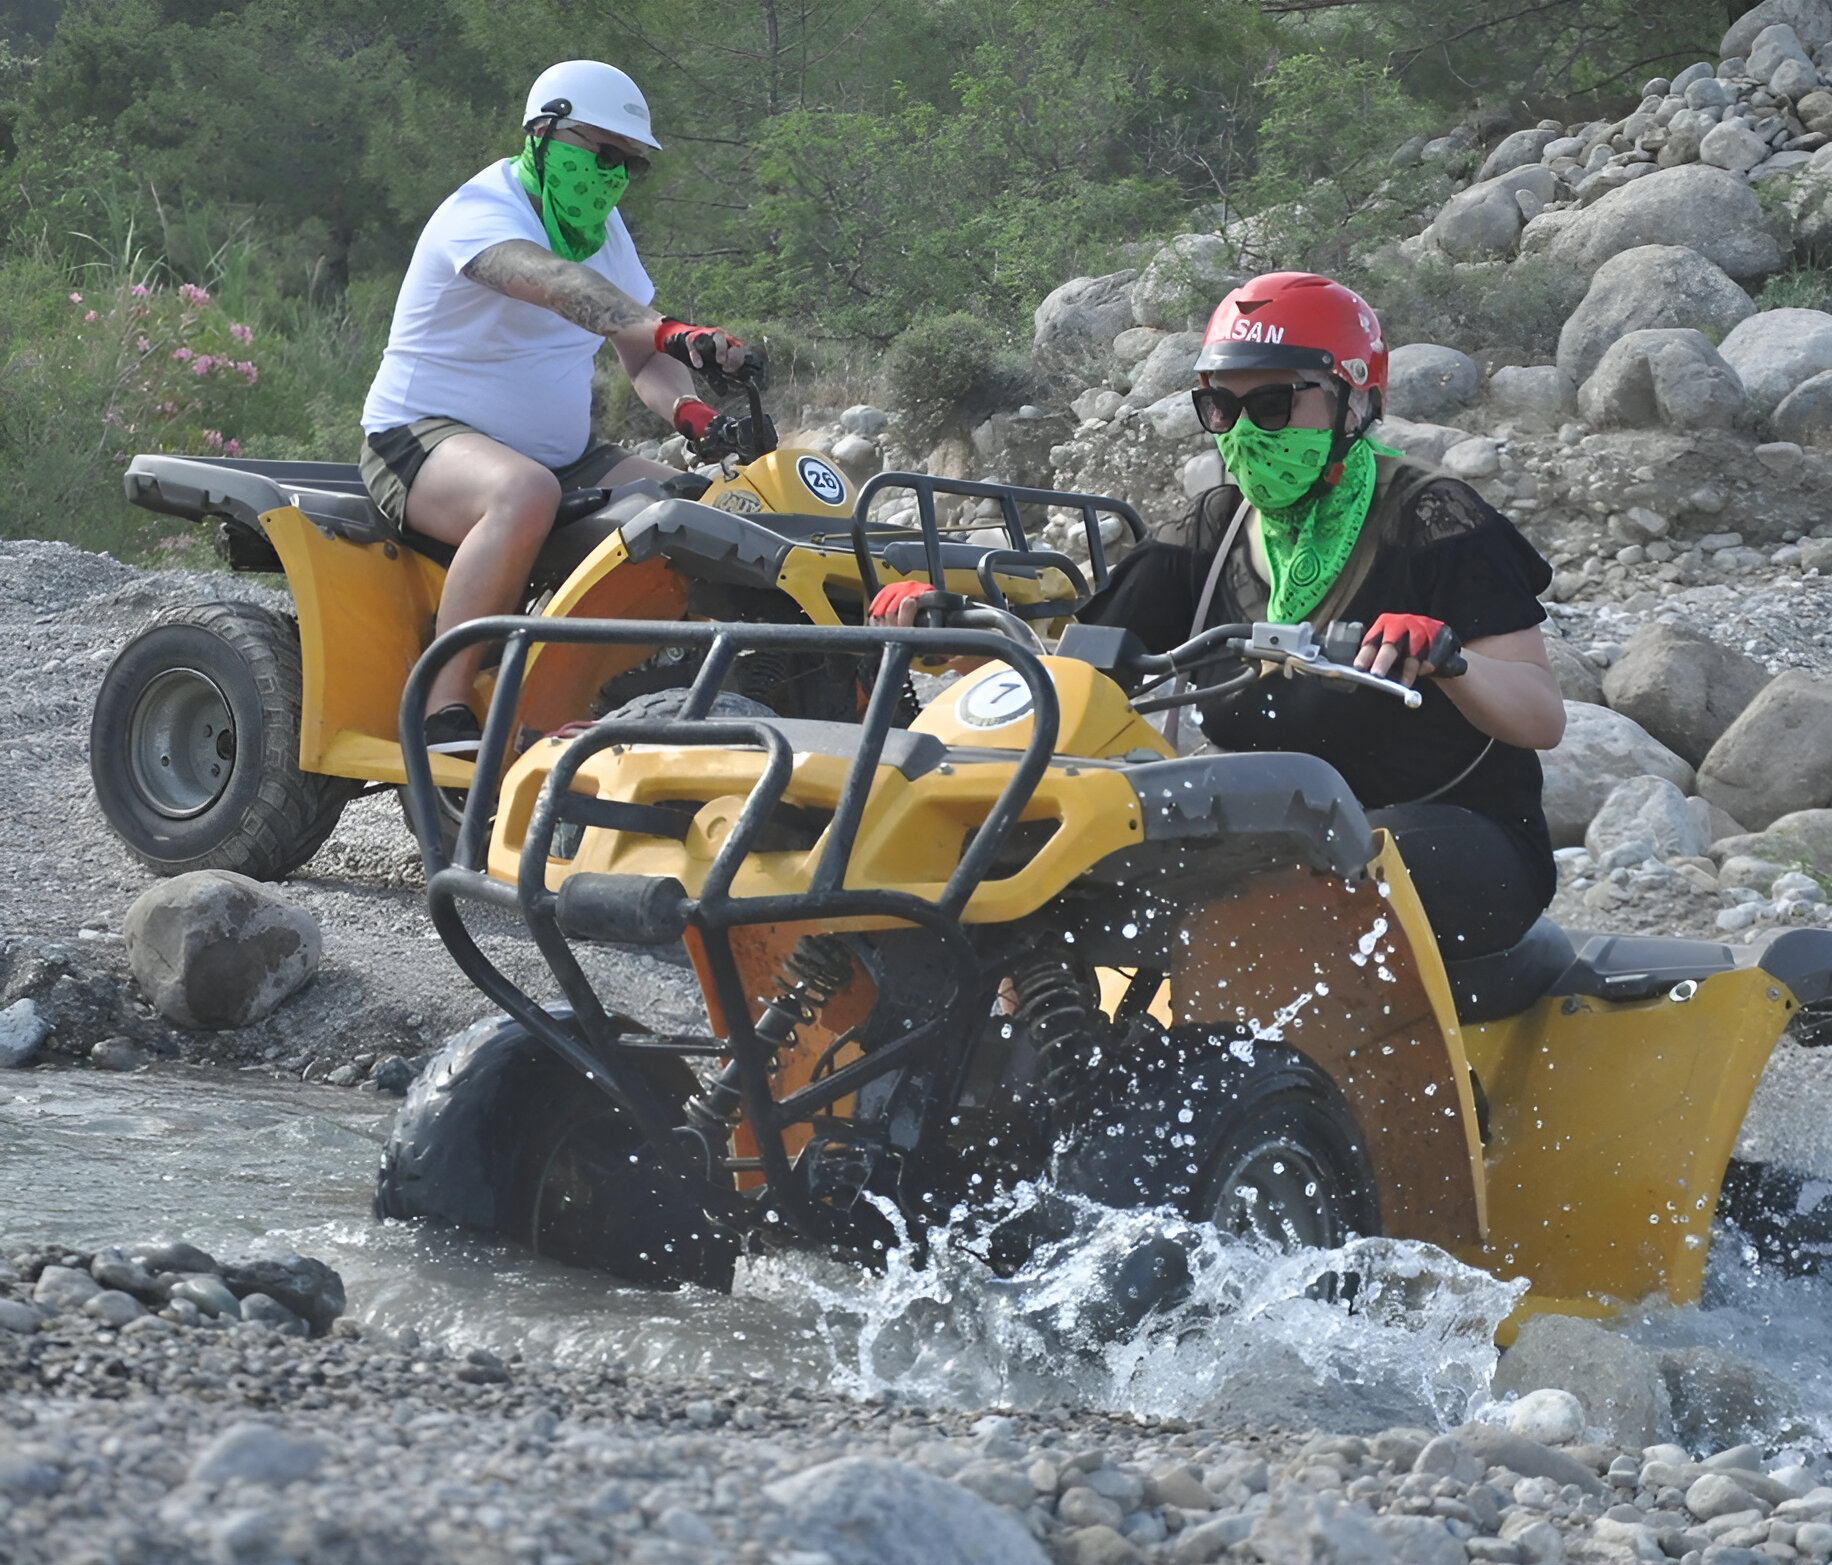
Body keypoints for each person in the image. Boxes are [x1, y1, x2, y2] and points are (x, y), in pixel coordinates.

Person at [886, 272, 1565, 961]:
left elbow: (1541, 715)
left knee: (1262, 906)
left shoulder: (1435, 519)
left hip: (1461, 837)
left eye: (1272, 403)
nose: (1242, 431)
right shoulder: (1214, 529)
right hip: (1280, 834)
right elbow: (1080, 672)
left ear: (1354, 400)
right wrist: (958, 639)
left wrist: (1451, 659)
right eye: (1220, 407)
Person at [359, 59, 759, 754]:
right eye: (602, 153)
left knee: (704, 512)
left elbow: (640, 352)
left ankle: (691, 685)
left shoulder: (603, 233)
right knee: (521, 492)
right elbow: (551, 284)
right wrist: (670, 329)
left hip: (565, 455)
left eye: (628, 166)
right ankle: (440, 703)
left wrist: (695, 417)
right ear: (542, 133)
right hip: (419, 441)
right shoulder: (483, 210)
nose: (611, 177)